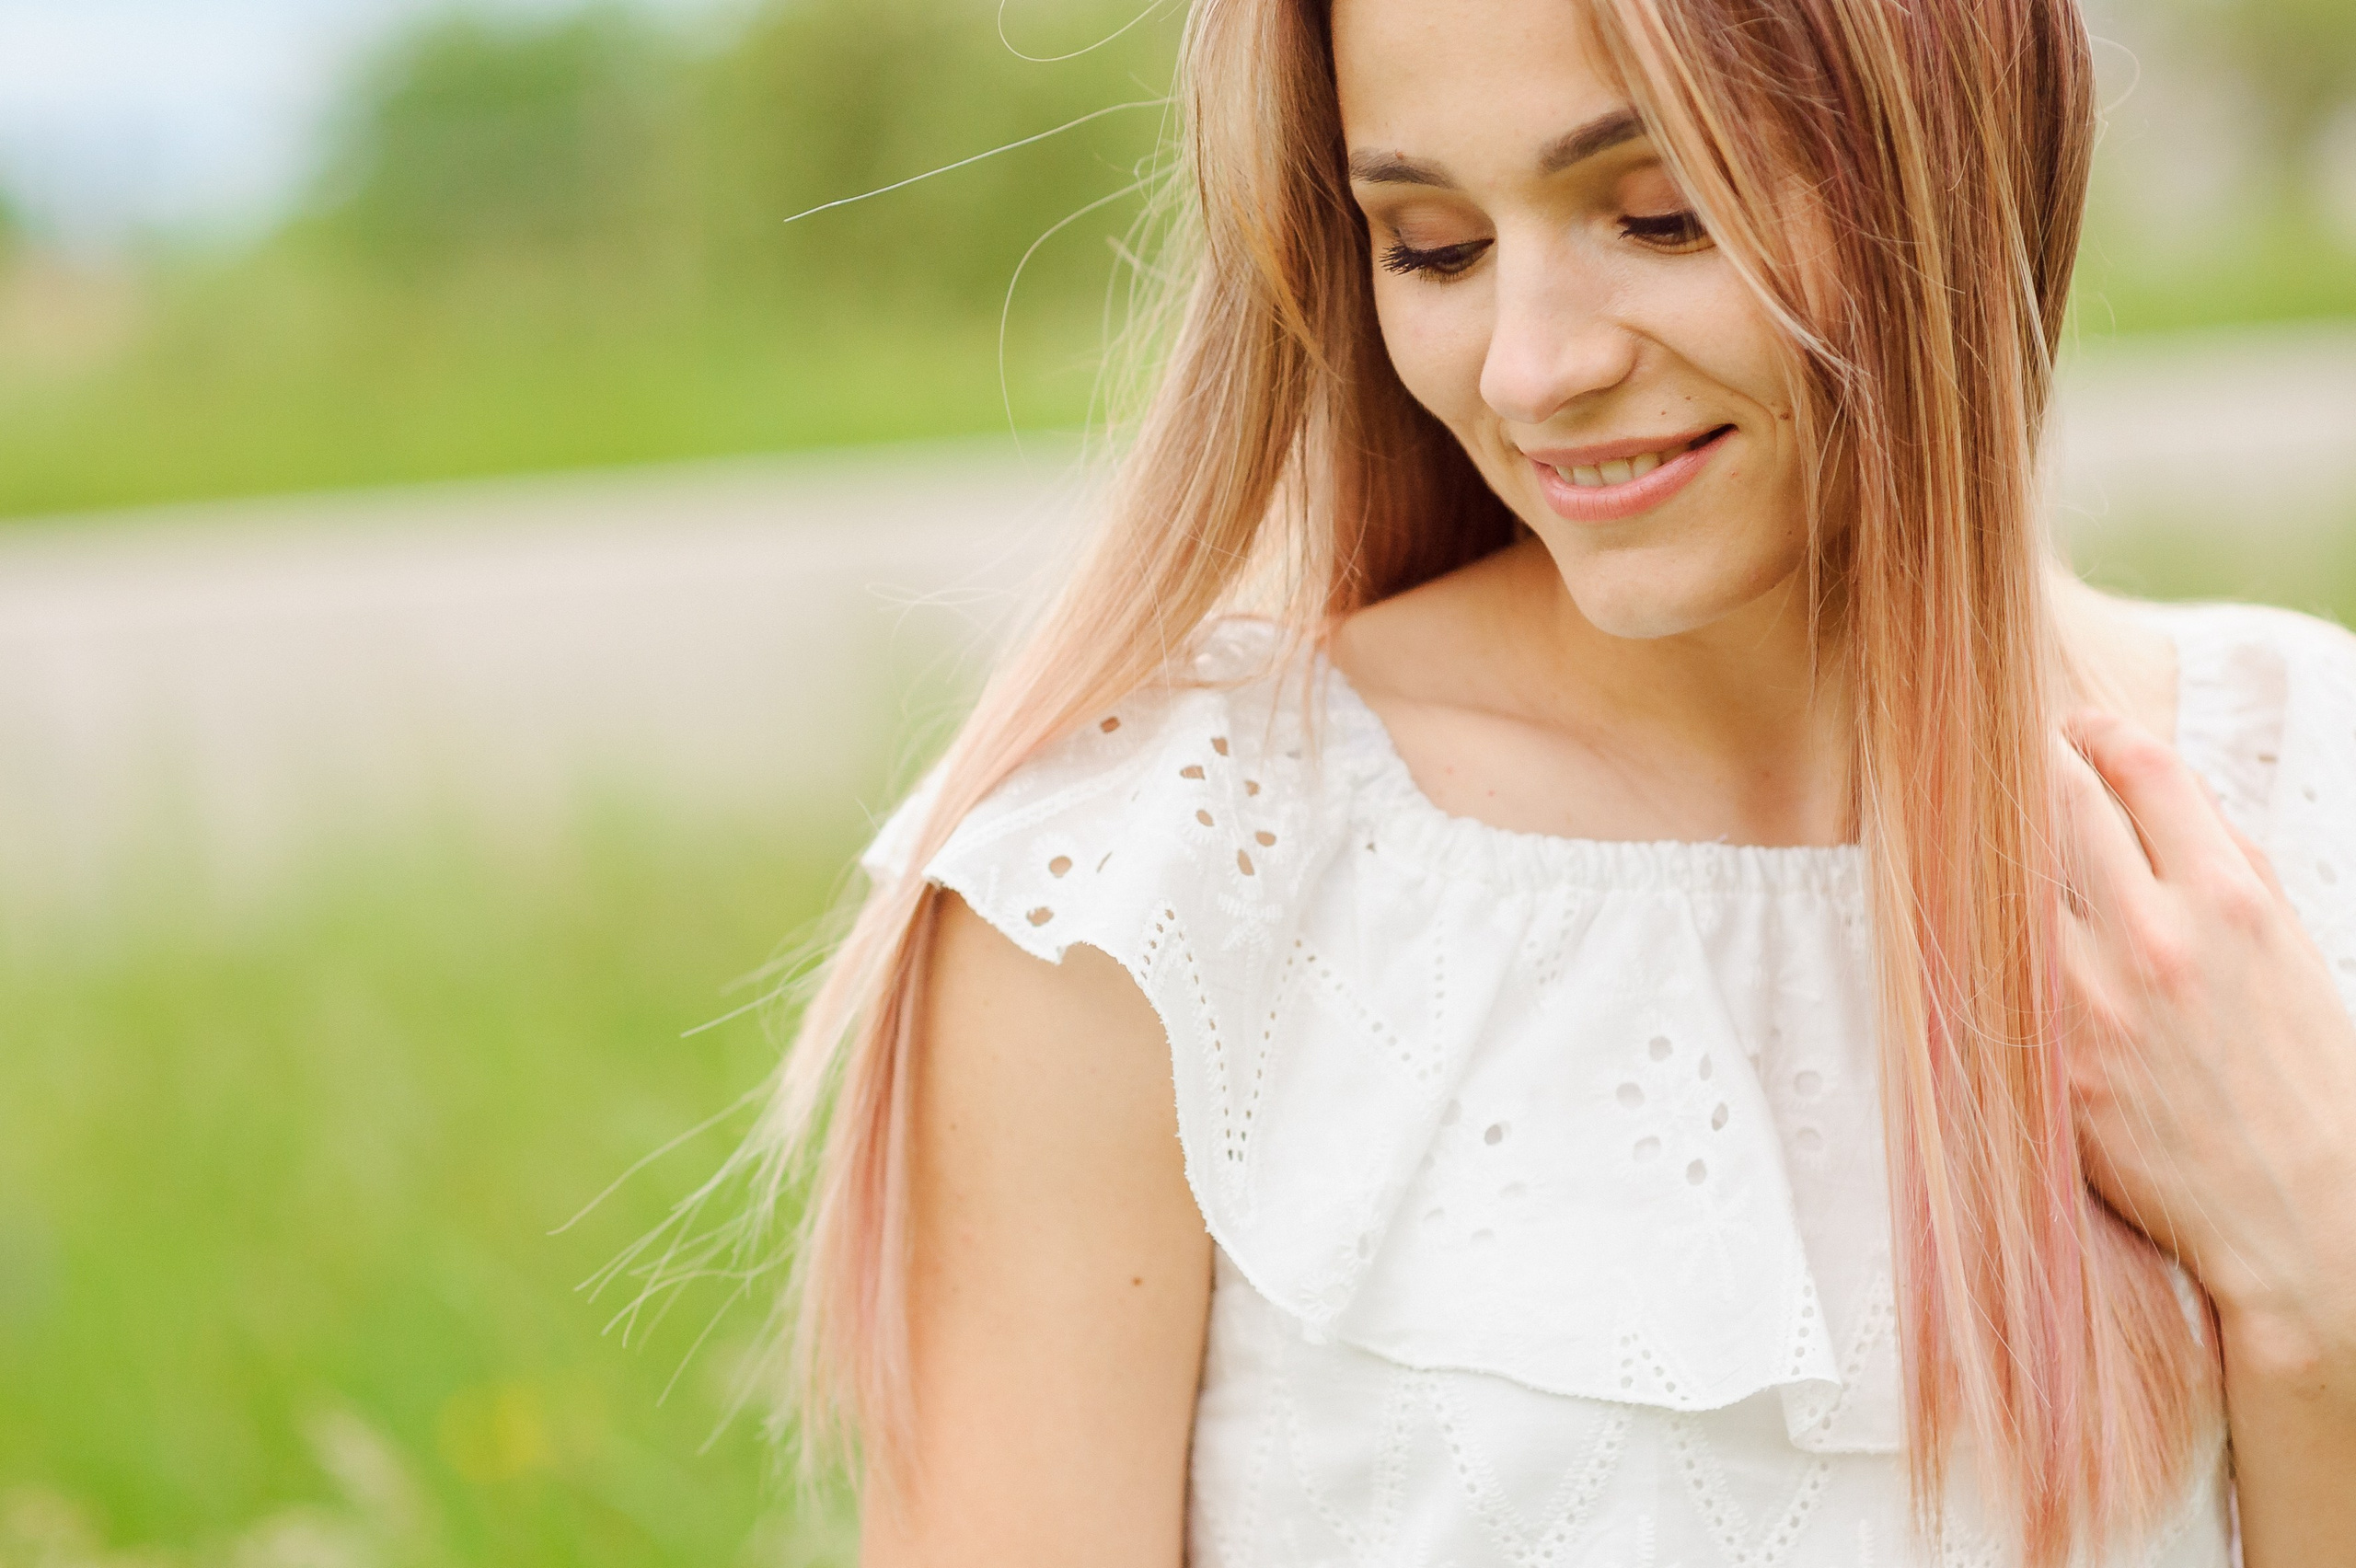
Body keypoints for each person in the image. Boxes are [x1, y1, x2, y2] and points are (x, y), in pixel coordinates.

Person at [742, 0, 2356, 1562]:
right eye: (1432, 246)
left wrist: (2319, 1299)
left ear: (1953, 152)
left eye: (1661, 216)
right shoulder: (1155, 882)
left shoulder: (2305, 784)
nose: (1530, 369)